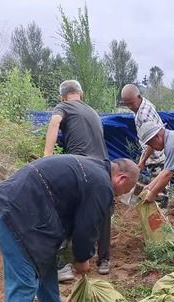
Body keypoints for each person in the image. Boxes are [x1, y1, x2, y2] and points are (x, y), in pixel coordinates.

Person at [0, 155, 138, 302]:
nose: (121, 195)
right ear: (121, 178)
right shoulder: (102, 184)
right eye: (126, 190)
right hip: (16, 214)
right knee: (23, 283)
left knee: (47, 270)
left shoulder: (94, 170)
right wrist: (82, 258)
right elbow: (87, 226)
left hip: (26, 211)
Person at [44, 80, 112, 278]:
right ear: (80, 94)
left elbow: (55, 122)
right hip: (103, 165)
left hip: (80, 166)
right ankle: (104, 260)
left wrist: (47, 156)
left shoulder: (63, 106)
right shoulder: (92, 111)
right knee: (102, 210)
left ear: (63, 96)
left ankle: (62, 265)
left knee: (65, 209)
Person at [120, 84, 166, 177]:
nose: (130, 107)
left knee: (158, 188)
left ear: (139, 97)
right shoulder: (143, 103)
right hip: (155, 156)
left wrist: (142, 162)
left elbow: (152, 143)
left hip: (158, 159)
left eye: (131, 103)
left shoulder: (144, 116)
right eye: (127, 104)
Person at [136, 121, 174, 204]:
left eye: (151, 144)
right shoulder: (171, 138)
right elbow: (166, 170)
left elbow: (168, 174)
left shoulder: (171, 144)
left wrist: (152, 194)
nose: (153, 148)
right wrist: (149, 187)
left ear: (157, 137)